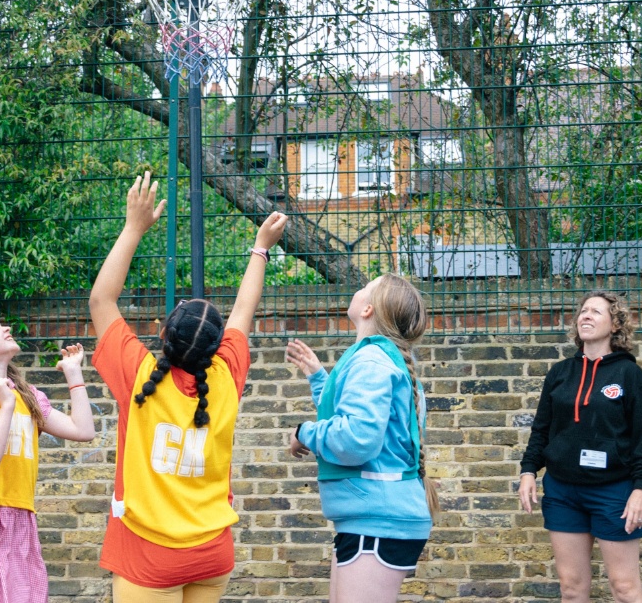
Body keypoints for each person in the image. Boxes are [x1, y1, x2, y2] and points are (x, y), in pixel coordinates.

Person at [87, 172, 288, 603]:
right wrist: (260, 249)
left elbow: (101, 301)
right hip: (213, 552)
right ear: (219, 349)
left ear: (162, 335)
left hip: (150, 554)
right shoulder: (226, 377)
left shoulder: (139, 377)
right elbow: (243, 311)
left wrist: (133, 228)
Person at [284, 273, 435, 603]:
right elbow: (356, 420)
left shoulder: (371, 361)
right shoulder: (380, 360)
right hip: (373, 517)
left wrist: (304, 432)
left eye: (365, 288)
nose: (357, 289)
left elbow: (356, 438)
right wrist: (318, 378)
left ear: (368, 309)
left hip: (377, 520)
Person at [0, 311, 98, 603]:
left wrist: (74, 374)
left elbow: (83, 430)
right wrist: (6, 406)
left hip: (20, 518)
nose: (6, 327)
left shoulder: (27, 395)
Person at [517, 291, 642, 603]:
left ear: (615, 325)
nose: (586, 316)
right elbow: (542, 428)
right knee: (571, 590)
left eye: (596, 312)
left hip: (613, 492)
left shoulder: (629, 374)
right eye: (583, 311)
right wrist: (529, 470)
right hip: (562, 493)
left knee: (624, 588)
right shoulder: (560, 373)